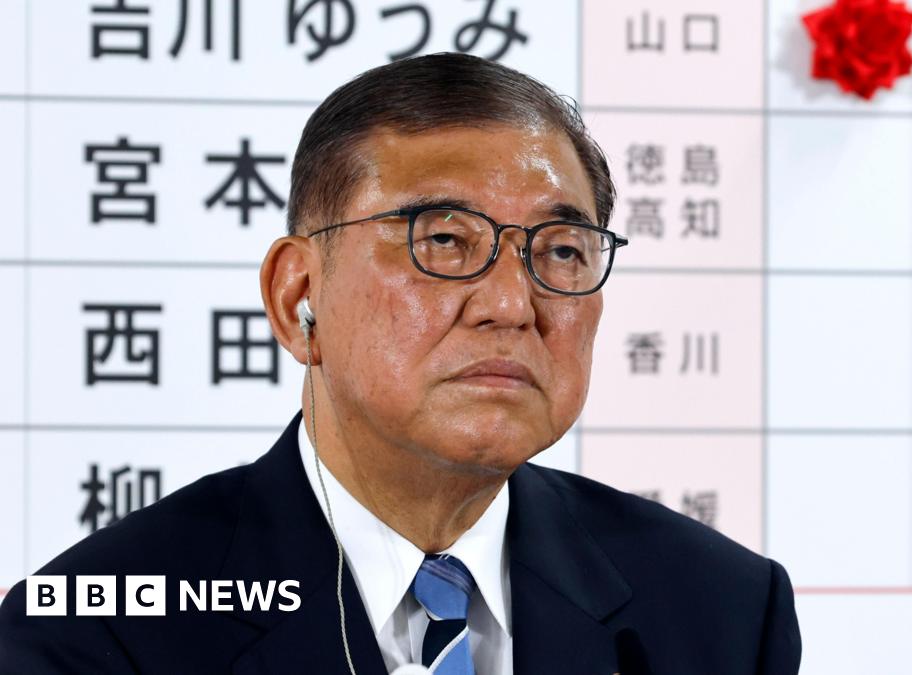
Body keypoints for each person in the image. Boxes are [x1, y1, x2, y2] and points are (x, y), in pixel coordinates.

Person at [0, 53, 801, 674]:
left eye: (561, 250)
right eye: (444, 240)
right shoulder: (97, 632)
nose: (511, 303)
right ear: (298, 296)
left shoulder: (722, 609)